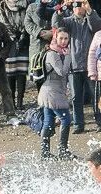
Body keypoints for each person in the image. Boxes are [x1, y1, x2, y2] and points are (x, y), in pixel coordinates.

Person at [52, 0, 101, 134]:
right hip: (73, 65)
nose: (78, 9)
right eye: (75, 6)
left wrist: (90, 10)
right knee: (75, 97)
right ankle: (78, 124)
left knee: (95, 95)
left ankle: (99, 122)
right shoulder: (68, 21)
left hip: (90, 65)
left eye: (80, 5)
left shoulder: (91, 19)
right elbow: (56, 24)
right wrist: (62, 8)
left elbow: (97, 27)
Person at [37, 29, 75, 159]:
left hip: (50, 91)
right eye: (61, 38)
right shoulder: (53, 54)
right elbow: (62, 72)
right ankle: (63, 151)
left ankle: (45, 152)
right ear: (55, 38)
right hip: (52, 93)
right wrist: (69, 56)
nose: (64, 41)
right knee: (66, 119)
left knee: (48, 121)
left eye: (66, 39)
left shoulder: (58, 52)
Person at [0, 0, 29, 111]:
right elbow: (3, 22)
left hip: (23, 41)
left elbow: (27, 19)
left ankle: (20, 102)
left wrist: (22, 35)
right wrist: (13, 36)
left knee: (21, 72)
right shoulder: (3, 5)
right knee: (10, 72)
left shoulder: (26, 3)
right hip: (9, 41)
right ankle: (11, 101)